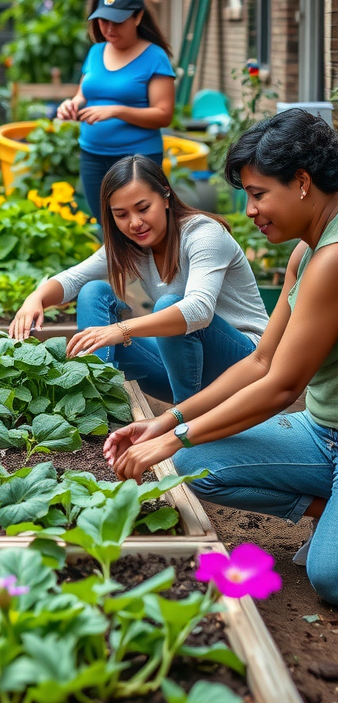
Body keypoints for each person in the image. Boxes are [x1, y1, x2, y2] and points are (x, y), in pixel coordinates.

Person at [103, 110, 338, 604]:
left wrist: (174, 436)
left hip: (325, 433)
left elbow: (281, 387)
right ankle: (325, 508)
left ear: (301, 182)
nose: (249, 210)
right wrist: (169, 424)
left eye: (257, 194)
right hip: (323, 433)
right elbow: (259, 363)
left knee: (330, 578)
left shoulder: (334, 259)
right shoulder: (305, 252)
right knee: (195, 461)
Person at [9, 155, 268, 403]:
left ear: (165, 196)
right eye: (121, 215)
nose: (135, 223)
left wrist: (120, 330)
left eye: (143, 208)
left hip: (247, 366)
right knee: (92, 292)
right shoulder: (131, 246)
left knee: (169, 306)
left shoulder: (203, 234)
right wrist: (36, 298)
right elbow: (74, 279)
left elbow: (199, 311)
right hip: (187, 371)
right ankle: (97, 398)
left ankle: (184, 422)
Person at [55, 0, 176, 224]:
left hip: (137, 159)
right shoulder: (96, 52)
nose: (109, 29)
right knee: (105, 227)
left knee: (140, 227)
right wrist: (71, 104)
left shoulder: (154, 57)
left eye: (118, 21)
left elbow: (164, 115)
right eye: (103, 20)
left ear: (138, 17)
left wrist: (117, 111)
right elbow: (83, 95)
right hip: (92, 154)